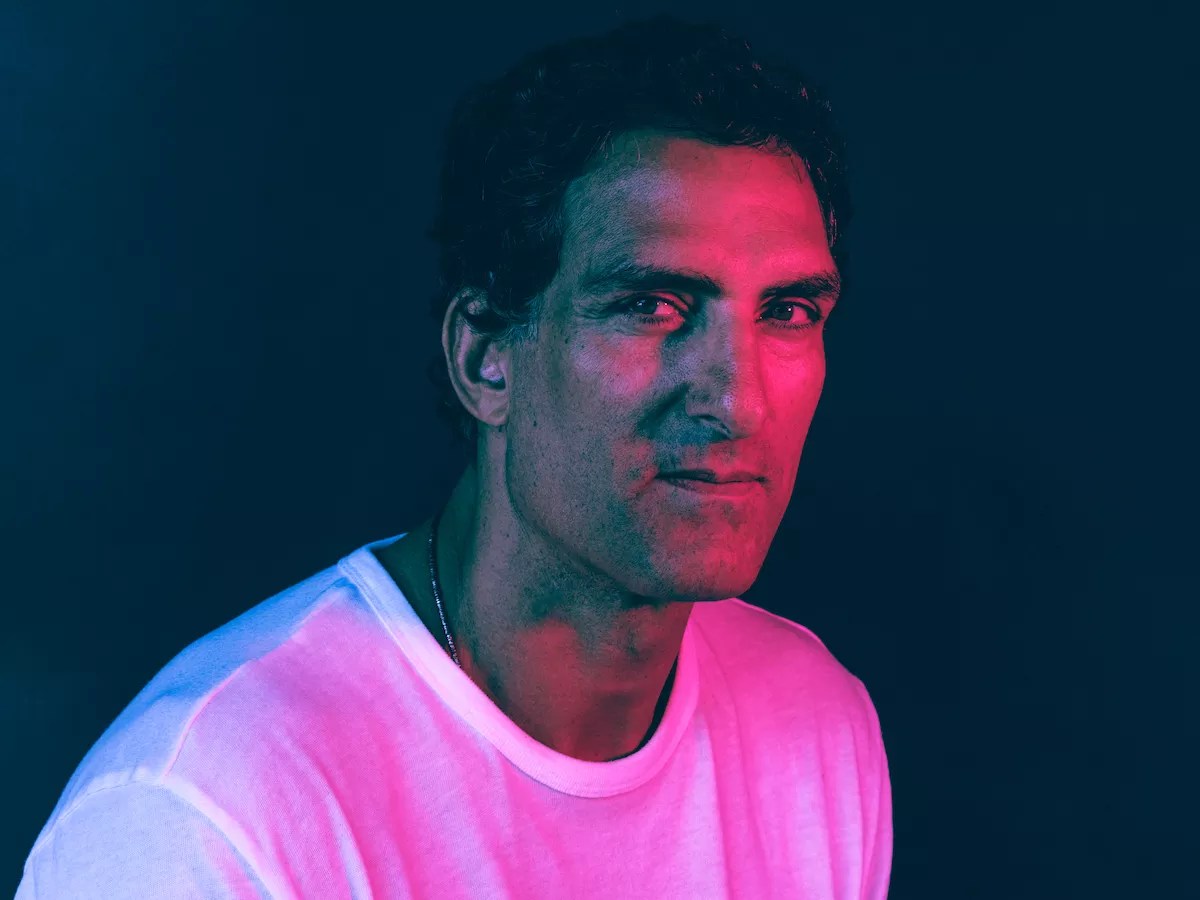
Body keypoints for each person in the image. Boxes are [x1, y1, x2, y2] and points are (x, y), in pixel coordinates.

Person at [18, 15, 891, 899]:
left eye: (787, 313)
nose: (739, 401)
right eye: (651, 306)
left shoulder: (816, 724)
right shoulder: (205, 810)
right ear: (485, 360)